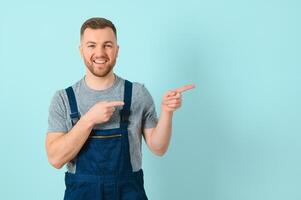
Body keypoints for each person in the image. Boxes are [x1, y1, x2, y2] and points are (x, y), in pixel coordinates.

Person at [45, 17, 195, 200]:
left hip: (129, 192)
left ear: (117, 50)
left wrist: (167, 112)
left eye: (107, 45)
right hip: (82, 193)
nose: (100, 53)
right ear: (81, 50)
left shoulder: (137, 93)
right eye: (91, 45)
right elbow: (55, 159)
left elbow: (159, 147)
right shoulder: (63, 99)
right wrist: (88, 120)